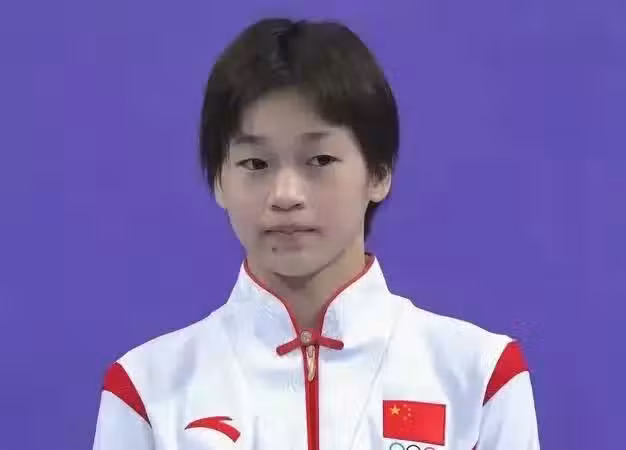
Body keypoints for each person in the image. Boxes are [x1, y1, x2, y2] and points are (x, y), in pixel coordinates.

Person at [92, 17, 540, 450]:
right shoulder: (147, 392)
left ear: (379, 173)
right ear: (219, 182)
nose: (285, 195)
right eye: (255, 164)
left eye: (320, 160)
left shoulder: (478, 378)